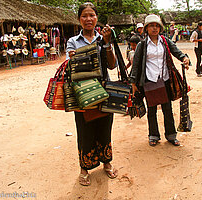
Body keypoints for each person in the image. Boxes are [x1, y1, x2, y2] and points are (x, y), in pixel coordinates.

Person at [66, 2, 118, 186]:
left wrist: (107, 44)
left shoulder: (103, 38)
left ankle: (107, 163)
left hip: (104, 90)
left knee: (105, 128)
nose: (88, 19)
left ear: (97, 18)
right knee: (84, 130)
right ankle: (84, 168)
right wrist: (72, 59)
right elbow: (69, 68)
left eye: (92, 15)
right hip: (82, 94)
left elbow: (112, 65)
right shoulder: (73, 41)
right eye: (84, 16)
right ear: (79, 19)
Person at [130, 14, 190, 147]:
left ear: (160, 28)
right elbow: (136, 64)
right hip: (149, 80)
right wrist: (133, 82)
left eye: (157, 25)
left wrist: (184, 58)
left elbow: (177, 52)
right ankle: (153, 135)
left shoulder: (165, 41)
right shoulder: (142, 45)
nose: (154, 28)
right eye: (151, 26)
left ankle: (171, 135)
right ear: (146, 28)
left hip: (164, 79)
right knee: (151, 110)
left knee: (167, 108)